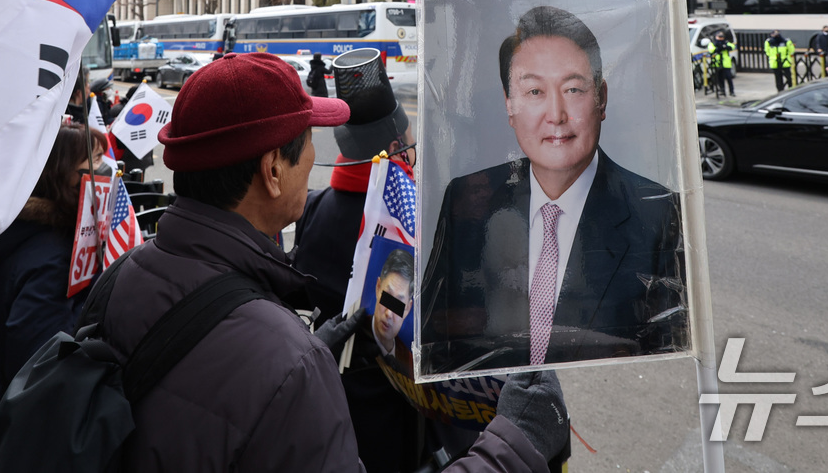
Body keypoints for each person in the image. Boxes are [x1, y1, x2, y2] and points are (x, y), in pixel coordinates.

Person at [96, 51, 568, 472]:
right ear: (273, 171)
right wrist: (513, 448)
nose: (318, 160)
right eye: (307, 143)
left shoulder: (117, 278)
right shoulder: (287, 362)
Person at [421, 6, 686, 375]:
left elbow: (667, 362)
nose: (556, 114)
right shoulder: (467, 199)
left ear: (601, 98)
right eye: (534, 91)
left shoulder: (658, 213)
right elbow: (439, 343)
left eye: (573, 89)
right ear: (509, 104)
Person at [292, 47, 424, 473]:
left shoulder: (313, 209)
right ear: (393, 147)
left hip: (328, 405)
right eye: (409, 142)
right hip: (395, 417)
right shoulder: (412, 224)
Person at [0, 122, 95, 472]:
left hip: (1, 419)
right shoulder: (53, 256)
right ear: (58, 176)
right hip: (19, 436)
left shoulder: (41, 238)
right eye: (90, 168)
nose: (101, 178)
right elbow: (39, 365)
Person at [371, 248, 414, 360]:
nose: (389, 313)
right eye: (387, 297)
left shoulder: (410, 365)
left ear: (408, 309)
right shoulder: (351, 334)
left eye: (398, 304)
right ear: (378, 287)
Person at [708, 31, 736, 97]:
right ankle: (722, 90)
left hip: (726, 63)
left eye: (722, 37)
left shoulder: (726, 42)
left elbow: (732, 46)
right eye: (719, 37)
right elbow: (711, 50)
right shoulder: (713, 43)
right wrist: (720, 48)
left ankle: (731, 91)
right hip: (717, 63)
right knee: (720, 78)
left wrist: (724, 47)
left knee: (729, 77)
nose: (721, 38)